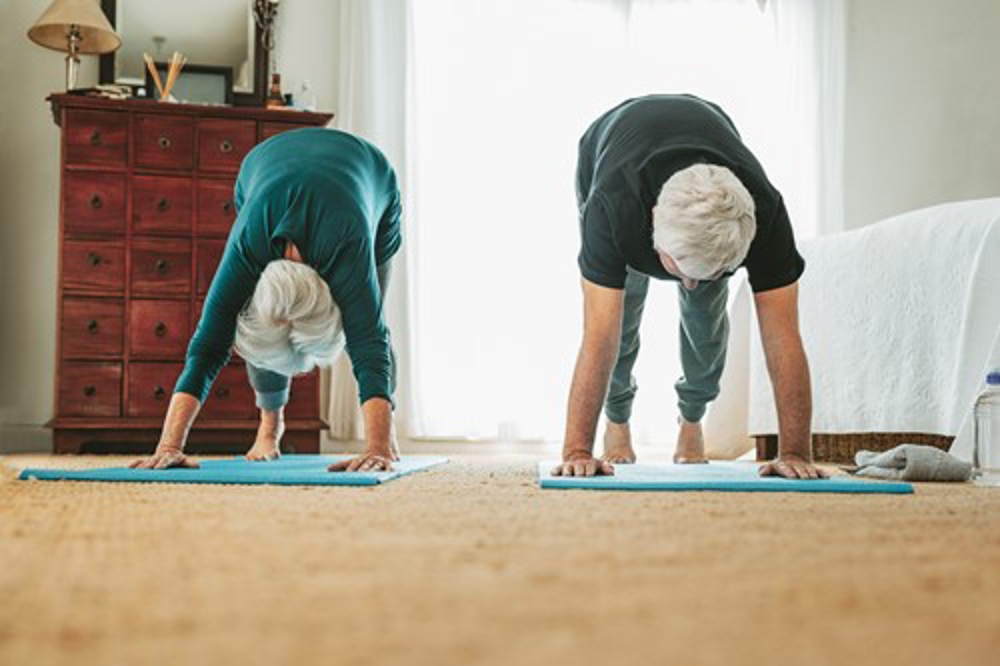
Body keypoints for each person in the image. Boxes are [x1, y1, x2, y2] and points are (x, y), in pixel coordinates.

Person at [554, 94, 827, 479]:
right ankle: (617, 420)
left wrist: (796, 452)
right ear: (653, 224)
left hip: (709, 163)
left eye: (707, 274)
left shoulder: (765, 214)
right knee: (622, 316)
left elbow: (783, 337)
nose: (688, 283)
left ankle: (692, 418)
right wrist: (577, 450)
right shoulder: (613, 206)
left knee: (706, 325)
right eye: (680, 269)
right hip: (609, 153)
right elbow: (599, 337)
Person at [131, 128, 401, 473]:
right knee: (266, 325)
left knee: (368, 321)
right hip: (262, 167)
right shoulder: (248, 246)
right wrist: (169, 446)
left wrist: (375, 448)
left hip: (371, 175)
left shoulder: (348, 246)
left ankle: (385, 431)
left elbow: (369, 343)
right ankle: (270, 426)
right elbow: (207, 347)